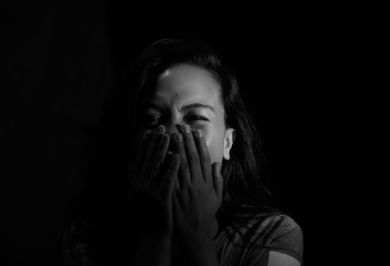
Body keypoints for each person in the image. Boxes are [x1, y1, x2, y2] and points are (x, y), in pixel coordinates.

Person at [63, 38, 303, 266]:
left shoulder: (270, 234)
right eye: (152, 118)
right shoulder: (91, 235)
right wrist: (155, 233)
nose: (172, 132)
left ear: (228, 143)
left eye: (196, 117)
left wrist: (195, 234)